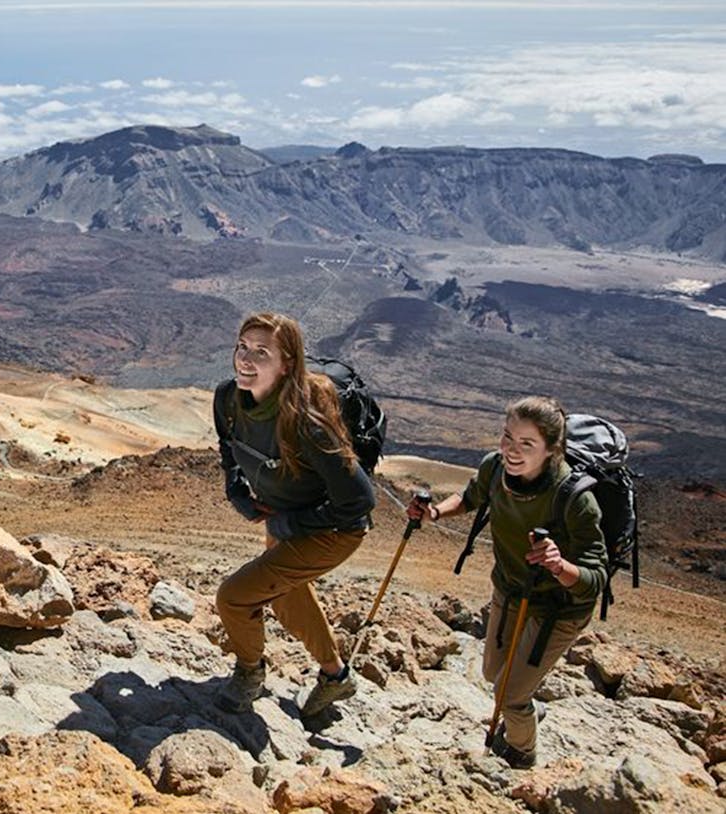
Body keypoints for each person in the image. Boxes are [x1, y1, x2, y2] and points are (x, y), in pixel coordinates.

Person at [407, 396, 607, 769]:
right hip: (511, 588)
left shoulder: (575, 500)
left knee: (508, 696)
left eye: (526, 444)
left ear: (551, 450)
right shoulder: (495, 468)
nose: (511, 451)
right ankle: (529, 707)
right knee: (491, 673)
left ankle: (521, 752)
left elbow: (595, 580)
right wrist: (434, 513)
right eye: (507, 437)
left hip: (559, 609)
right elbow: (470, 497)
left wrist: (558, 564)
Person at [212, 312, 376, 715]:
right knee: (285, 597)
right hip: (287, 517)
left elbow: (358, 501)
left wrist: (292, 523)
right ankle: (336, 677)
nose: (246, 360)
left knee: (233, 598)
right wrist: (237, 491)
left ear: (287, 364)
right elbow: (228, 446)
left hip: (333, 530)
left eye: (261, 353)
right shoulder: (228, 399)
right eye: (242, 347)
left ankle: (249, 672)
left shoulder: (307, 422)